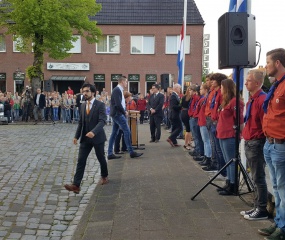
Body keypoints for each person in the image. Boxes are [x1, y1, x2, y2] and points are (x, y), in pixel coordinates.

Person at [258, 48, 285, 240]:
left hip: (280, 144)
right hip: (270, 143)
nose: (265, 65)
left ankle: (283, 228)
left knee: (283, 188)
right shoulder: (276, 85)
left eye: (268, 62)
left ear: (277, 63)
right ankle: (279, 222)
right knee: (275, 186)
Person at [64, 83, 109, 194]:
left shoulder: (100, 105)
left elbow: (102, 121)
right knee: (81, 160)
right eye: (83, 91)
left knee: (101, 158)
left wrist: (94, 132)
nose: (85, 93)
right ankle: (76, 185)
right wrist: (76, 136)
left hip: (97, 137)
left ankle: (104, 176)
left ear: (93, 92)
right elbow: (81, 123)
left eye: (87, 91)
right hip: (85, 138)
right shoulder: (83, 105)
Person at [240, 69, 268, 220]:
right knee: (254, 176)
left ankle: (262, 208)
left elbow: (265, 124)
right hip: (250, 141)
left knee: (258, 177)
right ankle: (257, 205)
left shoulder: (262, 99)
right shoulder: (252, 99)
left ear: (257, 83)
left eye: (249, 80)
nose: (245, 83)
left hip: (257, 142)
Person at [216, 79, 244, 195]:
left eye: (222, 87)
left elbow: (239, 120)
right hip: (222, 134)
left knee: (231, 161)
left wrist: (239, 133)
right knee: (227, 160)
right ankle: (228, 181)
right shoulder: (226, 101)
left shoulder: (235, 102)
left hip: (230, 135)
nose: (220, 89)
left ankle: (233, 185)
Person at [107, 76, 143, 159]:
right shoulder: (117, 90)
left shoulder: (119, 90)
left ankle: (110, 153)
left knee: (114, 133)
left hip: (117, 113)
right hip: (118, 114)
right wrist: (124, 112)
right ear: (122, 82)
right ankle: (131, 151)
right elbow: (118, 103)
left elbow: (120, 103)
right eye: (126, 82)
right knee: (127, 131)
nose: (126, 83)